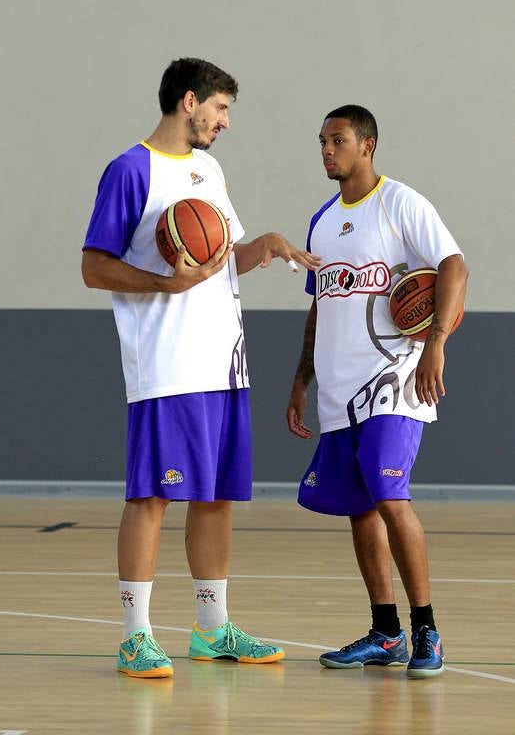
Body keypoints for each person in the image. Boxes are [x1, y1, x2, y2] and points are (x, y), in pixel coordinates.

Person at [82, 57, 319, 679]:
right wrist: (162, 282)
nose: (225, 123)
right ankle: (135, 636)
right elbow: (93, 266)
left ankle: (213, 630)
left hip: (225, 361)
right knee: (154, 493)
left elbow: (219, 258)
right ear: (189, 101)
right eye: (220, 110)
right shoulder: (131, 170)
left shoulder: (209, 169)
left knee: (215, 498)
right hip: (168, 364)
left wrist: (260, 248)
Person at [287, 105, 468, 679]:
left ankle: (428, 630)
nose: (326, 150)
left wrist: (436, 340)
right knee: (361, 511)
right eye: (321, 142)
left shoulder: (401, 203)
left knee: (391, 498)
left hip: (396, 380)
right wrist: (300, 380)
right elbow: (319, 307)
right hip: (338, 390)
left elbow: (454, 266)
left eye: (336, 140)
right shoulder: (321, 220)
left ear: (367, 145)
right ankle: (386, 632)